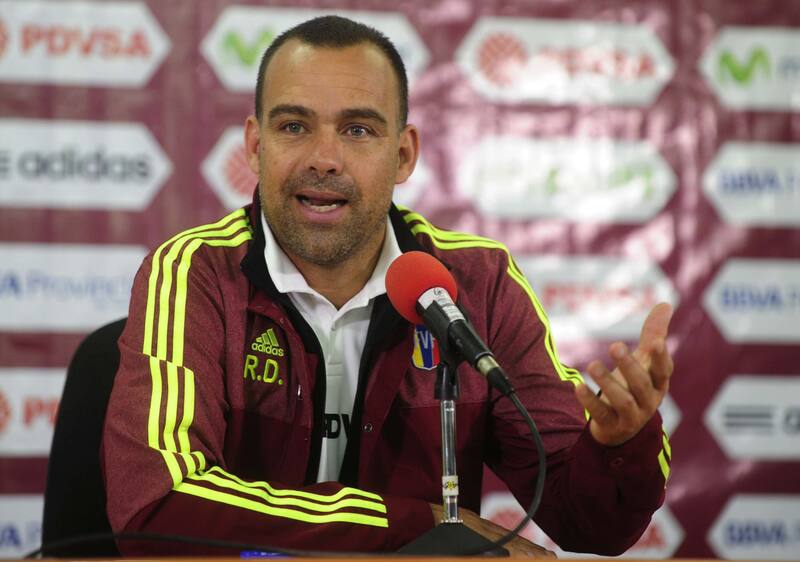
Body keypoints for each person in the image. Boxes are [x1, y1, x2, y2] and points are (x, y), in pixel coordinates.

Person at [102, 15, 673, 558]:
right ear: (255, 146)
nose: (325, 159)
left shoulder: (478, 284)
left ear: (403, 155)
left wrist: (618, 448)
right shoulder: (196, 272)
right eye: (294, 126)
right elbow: (157, 506)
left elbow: (591, 524)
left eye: (357, 130)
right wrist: (414, 524)